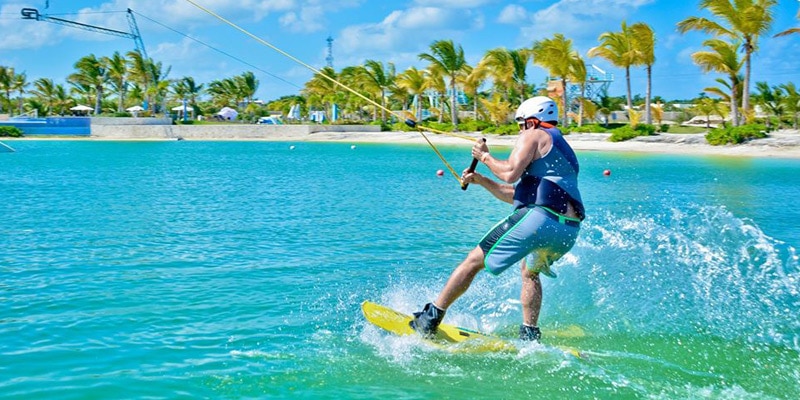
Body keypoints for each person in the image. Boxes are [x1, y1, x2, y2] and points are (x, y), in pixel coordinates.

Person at [410, 96, 585, 342]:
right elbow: (518, 195)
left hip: (540, 221)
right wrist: (481, 179)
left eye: (521, 124)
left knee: (473, 261)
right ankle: (529, 335)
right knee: (530, 273)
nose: (520, 131)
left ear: (532, 120)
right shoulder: (560, 149)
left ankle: (429, 319)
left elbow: (510, 174)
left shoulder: (533, 134)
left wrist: (484, 156)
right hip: (566, 231)